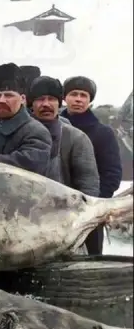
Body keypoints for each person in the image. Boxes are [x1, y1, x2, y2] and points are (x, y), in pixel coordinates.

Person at [61, 75, 122, 255]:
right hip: (56, 208)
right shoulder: (51, 128)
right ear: (64, 98)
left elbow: (112, 174)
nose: (78, 99)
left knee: (90, 260)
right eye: (73, 94)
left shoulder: (103, 133)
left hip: (90, 212)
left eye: (83, 95)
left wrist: (93, 204)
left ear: (90, 100)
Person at [0, 63, 52, 176]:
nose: (1, 100)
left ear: (22, 99)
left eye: (8, 95)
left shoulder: (36, 131)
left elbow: (28, 166)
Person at [28, 76, 99, 195]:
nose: (46, 104)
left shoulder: (76, 138)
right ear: (31, 104)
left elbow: (88, 185)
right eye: (40, 99)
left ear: (59, 103)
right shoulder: (18, 134)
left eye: (51, 99)